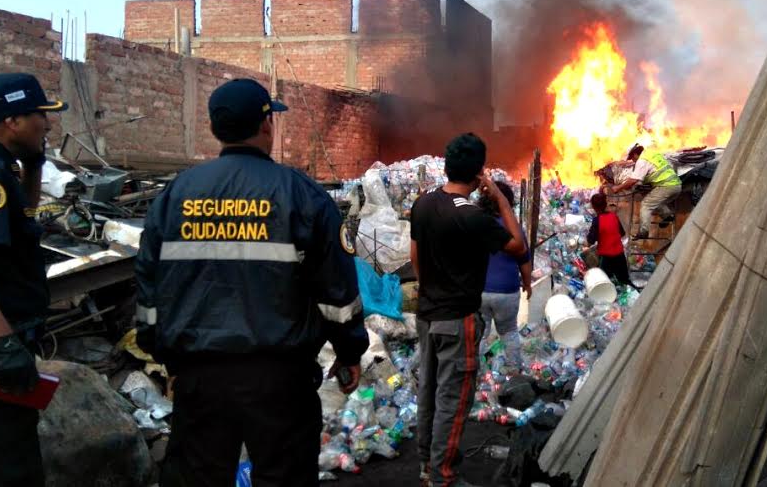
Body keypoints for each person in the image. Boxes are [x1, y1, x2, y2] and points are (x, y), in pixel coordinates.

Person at [135, 78, 368, 487]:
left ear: (214, 128)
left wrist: (165, 354)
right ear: (266, 126)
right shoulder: (302, 195)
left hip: (199, 377)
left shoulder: (175, 196)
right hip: (280, 380)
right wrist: (350, 351)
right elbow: (335, 292)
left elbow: (150, 288)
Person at [0, 73, 68, 486]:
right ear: (13, 121)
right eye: (40, 115)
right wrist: (2, 342)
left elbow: (19, 222)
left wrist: (33, 170)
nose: (47, 124)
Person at [410, 133, 527, 487]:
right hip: (458, 319)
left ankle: (426, 466)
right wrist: (500, 198)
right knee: (452, 400)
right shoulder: (473, 216)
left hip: (426, 315)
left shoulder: (423, 204)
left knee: (428, 393)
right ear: (478, 174)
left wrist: (432, 291)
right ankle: (443, 477)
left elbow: (415, 258)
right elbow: (518, 245)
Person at [477, 181, 532, 374]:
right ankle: (513, 369)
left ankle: (477, 373)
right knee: (509, 331)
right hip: (507, 291)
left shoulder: (476, 224)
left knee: (480, 333)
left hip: (480, 290)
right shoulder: (514, 229)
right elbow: (524, 260)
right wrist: (527, 284)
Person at [605, 143, 682, 239]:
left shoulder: (642, 161)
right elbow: (651, 173)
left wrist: (618, 188)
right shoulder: (652, 154)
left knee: (646, 204)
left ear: (635, 154)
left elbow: (633, 180)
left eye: (632, 158)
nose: (633, 161)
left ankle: (644, 231)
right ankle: (667, 216)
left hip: (666, 186)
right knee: (654, 201)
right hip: (676, 186)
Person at [586, 192, 632, 287]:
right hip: (620, 255)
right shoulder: (614, 216)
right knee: (624, 280)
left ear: (594, 207)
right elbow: (622, 233)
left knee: (604, 281)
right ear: (606, 204)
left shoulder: (597, 221)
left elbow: (590, 241)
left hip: (606, 257)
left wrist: (586, 244)